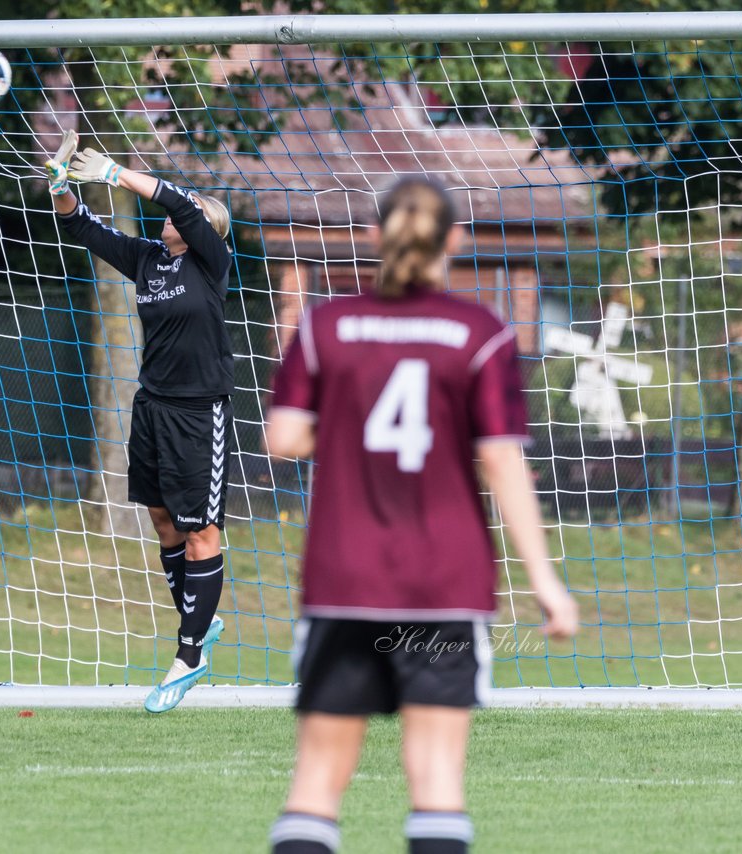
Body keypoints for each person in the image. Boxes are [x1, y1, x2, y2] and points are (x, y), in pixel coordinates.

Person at [263, 177, 579, 854]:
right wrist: (546, 582)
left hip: (344, 581)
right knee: (436, 779)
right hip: (445, 584)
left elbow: (284, 440)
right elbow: (502, 464)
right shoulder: (481, 333)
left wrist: (342, 426)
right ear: (455, 241)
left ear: (374, 236)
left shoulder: (325, 326)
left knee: (317, 782)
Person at [44, 131, 235, 713]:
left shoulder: (210, 260)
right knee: (162, 522)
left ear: (205, 228)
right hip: (152, 407)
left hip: (200, 413)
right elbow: (85, 229)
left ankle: (190, 651)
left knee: (202, 532)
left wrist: (115, 174)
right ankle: (199, 625)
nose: (176, 217)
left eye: (191, 214)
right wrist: (60, 187)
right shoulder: (150, 260)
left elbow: (178, 202)